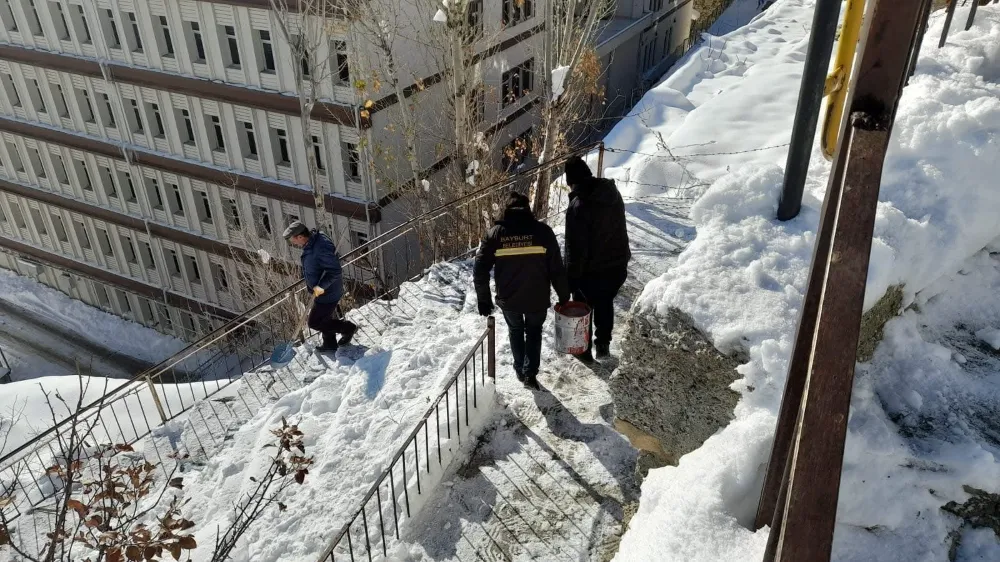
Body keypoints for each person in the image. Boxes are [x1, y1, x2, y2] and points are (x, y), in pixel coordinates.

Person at [474, 192, 570, 390]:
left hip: (509, 300)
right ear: (528, 209)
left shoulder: (496, 233)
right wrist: (563, 294)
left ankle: (520, 368)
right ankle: (530, 374)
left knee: (516, 330)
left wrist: (483, 299)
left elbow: (480, 268)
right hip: (537, 297)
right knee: (534, 332)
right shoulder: (543, 232)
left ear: (506, 210)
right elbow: (556, 268)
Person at [563, 156, 631, 361]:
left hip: (592, 269)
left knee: (583, 305)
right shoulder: (611, 193)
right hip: (617, 263)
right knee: (605, 300)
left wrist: (571, 278)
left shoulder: (578, 205)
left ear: (571, 181)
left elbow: (575, 247)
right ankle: (603, 344)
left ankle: (583, 350)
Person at [283, 221, 357, 353]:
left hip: (328, 293)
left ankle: (348, 328)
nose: (293, 244)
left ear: (300, 237)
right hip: (322, 291)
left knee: (315, 322)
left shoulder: (319, 248)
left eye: (292, 240)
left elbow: (335, 271)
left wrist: (320, 287)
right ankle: (330, 343)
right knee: (325, 318)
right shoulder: (313, 242)